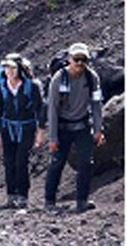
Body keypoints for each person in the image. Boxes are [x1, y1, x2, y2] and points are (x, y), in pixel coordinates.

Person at [44, 42, 105, 214]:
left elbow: (96, 105)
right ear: (69, 59)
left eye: (83, 59)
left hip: (83, 126)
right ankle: (49, 201)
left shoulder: (92, 78)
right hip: (63, 127)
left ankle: (82, 201)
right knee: (57, 163)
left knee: (86, 163)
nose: (79, 63)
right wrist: (53, 137)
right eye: (76, 59)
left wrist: (98, 129)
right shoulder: (59, 78)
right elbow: (52, 110)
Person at [0, 52, 46, 209]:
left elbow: (40, 109)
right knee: (9, 162)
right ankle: (11, 195)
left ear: (20, 69)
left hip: (26, 127)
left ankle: (22, 195)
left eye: (13, 68)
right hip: (7, 128)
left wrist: (40, 132)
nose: (10, 71)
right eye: (7, 68)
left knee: (21, 161)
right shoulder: (0, 88)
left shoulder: (32, 86)